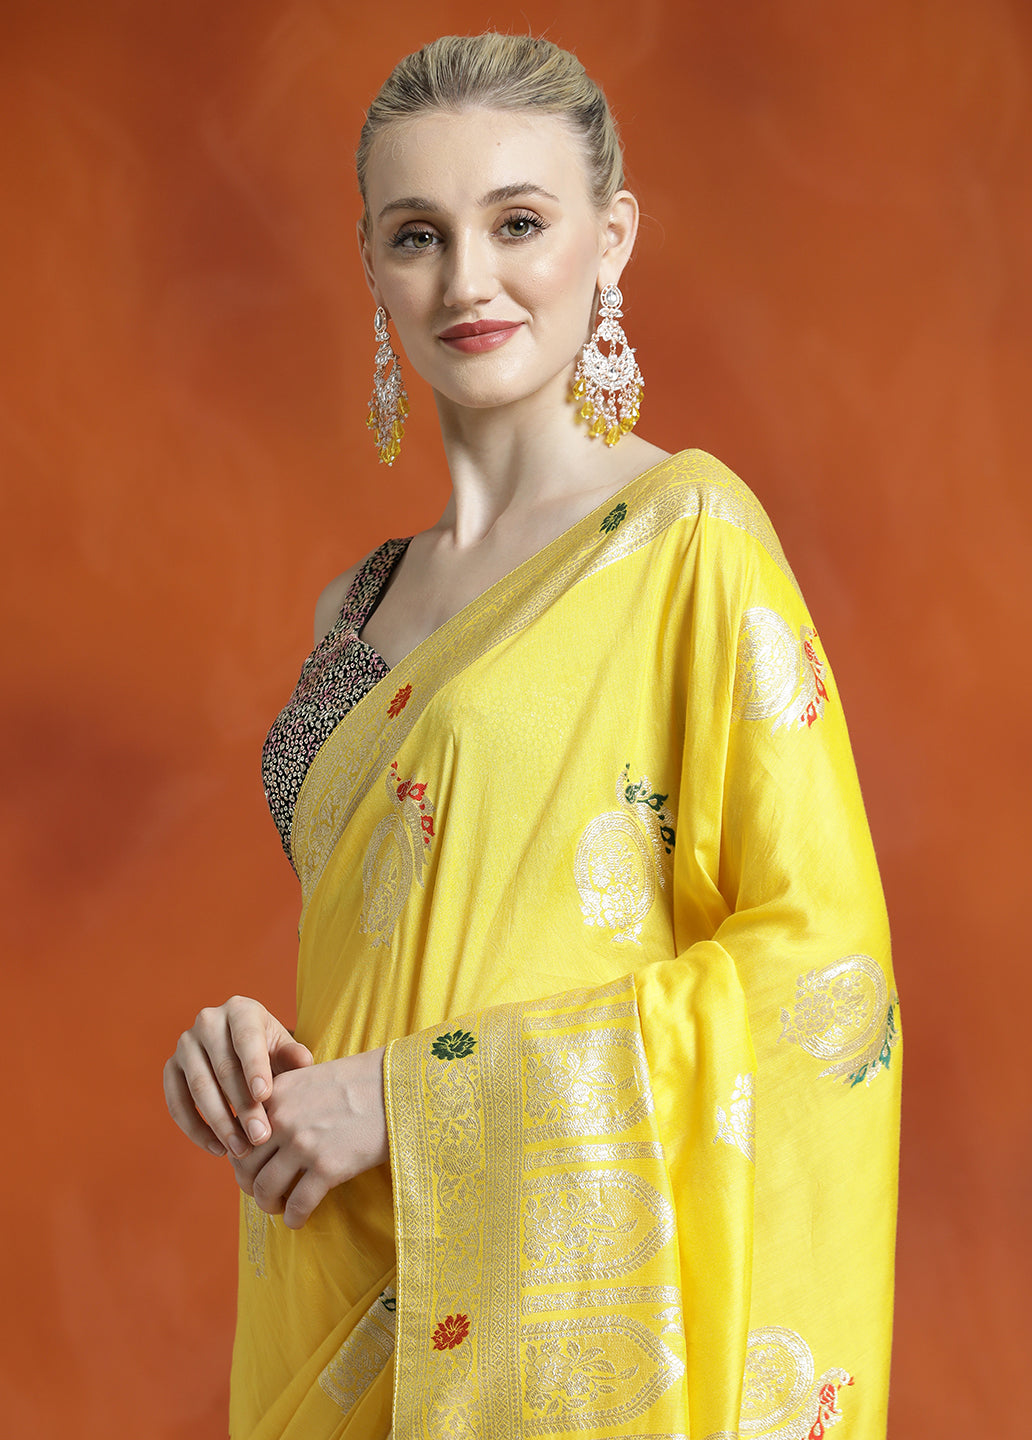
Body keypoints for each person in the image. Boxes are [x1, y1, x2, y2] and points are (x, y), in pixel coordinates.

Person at [163, 32, 900, 1440]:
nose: (467, 281)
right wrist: (253, 1060)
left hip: (551, 1332)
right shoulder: (355, 602)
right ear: (371, 262)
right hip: (335, 1285)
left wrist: (414, 1102)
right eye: (418, 235)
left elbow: (823, 970)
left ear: (610, 240)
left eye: (517, 223)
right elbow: (401, 937)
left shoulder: (687, 542)